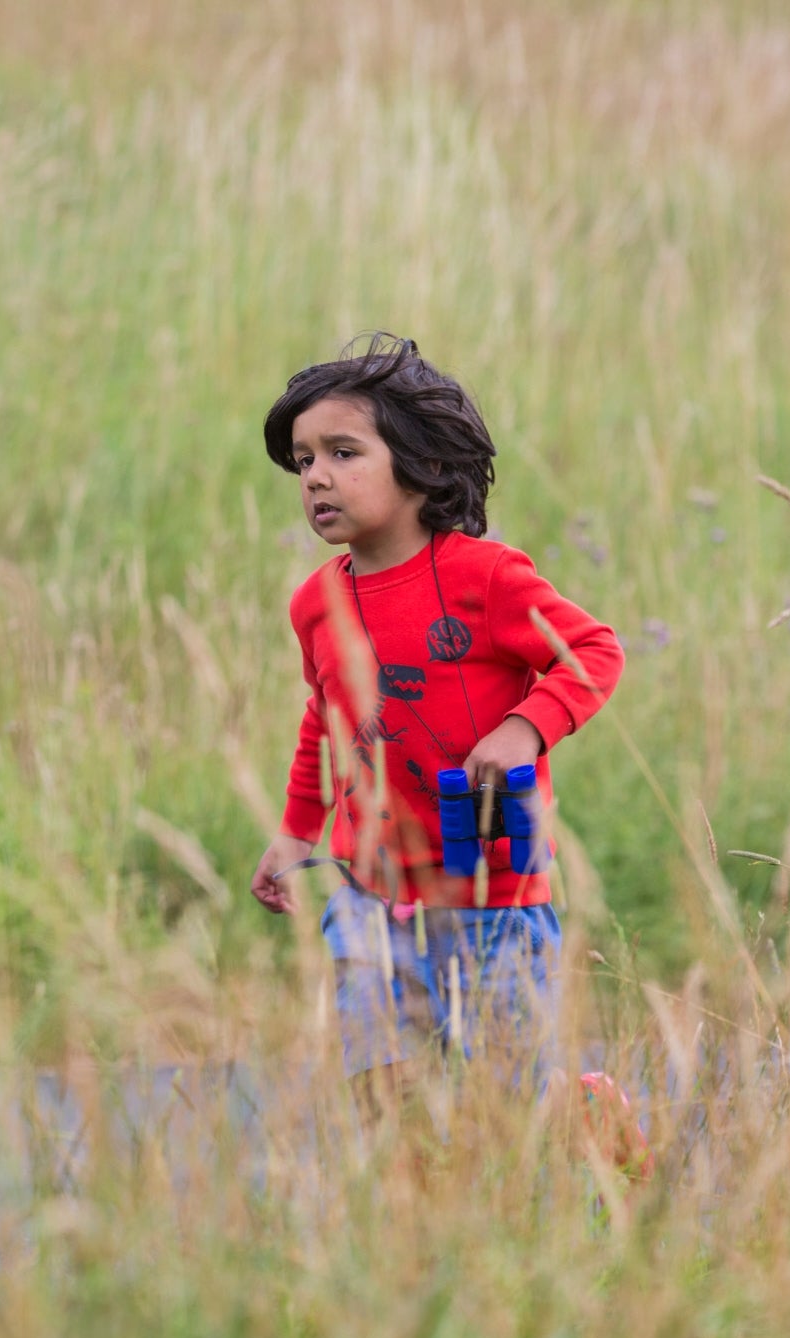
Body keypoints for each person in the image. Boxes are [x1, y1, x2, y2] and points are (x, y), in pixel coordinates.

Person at [247, 334, 625, 1118]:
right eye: (303, 459)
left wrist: (526, 727)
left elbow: (593, 650)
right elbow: (327, 718)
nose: (316, 475)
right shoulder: (315, 602)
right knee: (386, 1089)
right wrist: (294, 833)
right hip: (366, 890)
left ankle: (588, 1117)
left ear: (421, 466)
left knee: (508, 1107)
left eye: (344, 452)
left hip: (492, 888)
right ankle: (419, 1224)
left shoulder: (486, 577)